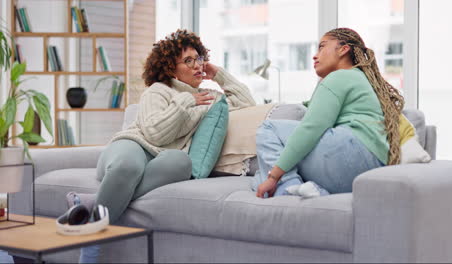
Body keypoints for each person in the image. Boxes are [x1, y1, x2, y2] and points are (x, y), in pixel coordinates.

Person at [71, 29, 256, 263]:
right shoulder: (158, 90)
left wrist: (218, 74)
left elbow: (247, 103)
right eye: (188, 61)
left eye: (199, 58)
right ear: (170, 68)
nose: (197, 65)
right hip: (133, 146)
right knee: (128, 168)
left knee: (182, 161)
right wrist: (186, 101)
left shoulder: (208, 97)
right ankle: (90, 244)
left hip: (163, 158)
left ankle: (93, 202)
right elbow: (154, 134)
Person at [252, 28, 405, 198]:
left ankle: (287, 189)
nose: (315, 56)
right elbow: (316, 107)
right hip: (371, 167)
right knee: (259, 177)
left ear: (343, 49)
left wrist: (274, 176)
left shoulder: (338, 77)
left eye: (322, 47)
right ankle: (313, 191)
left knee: (268, 128)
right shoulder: (361, 79)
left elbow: (311, 128)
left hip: (351, 153)